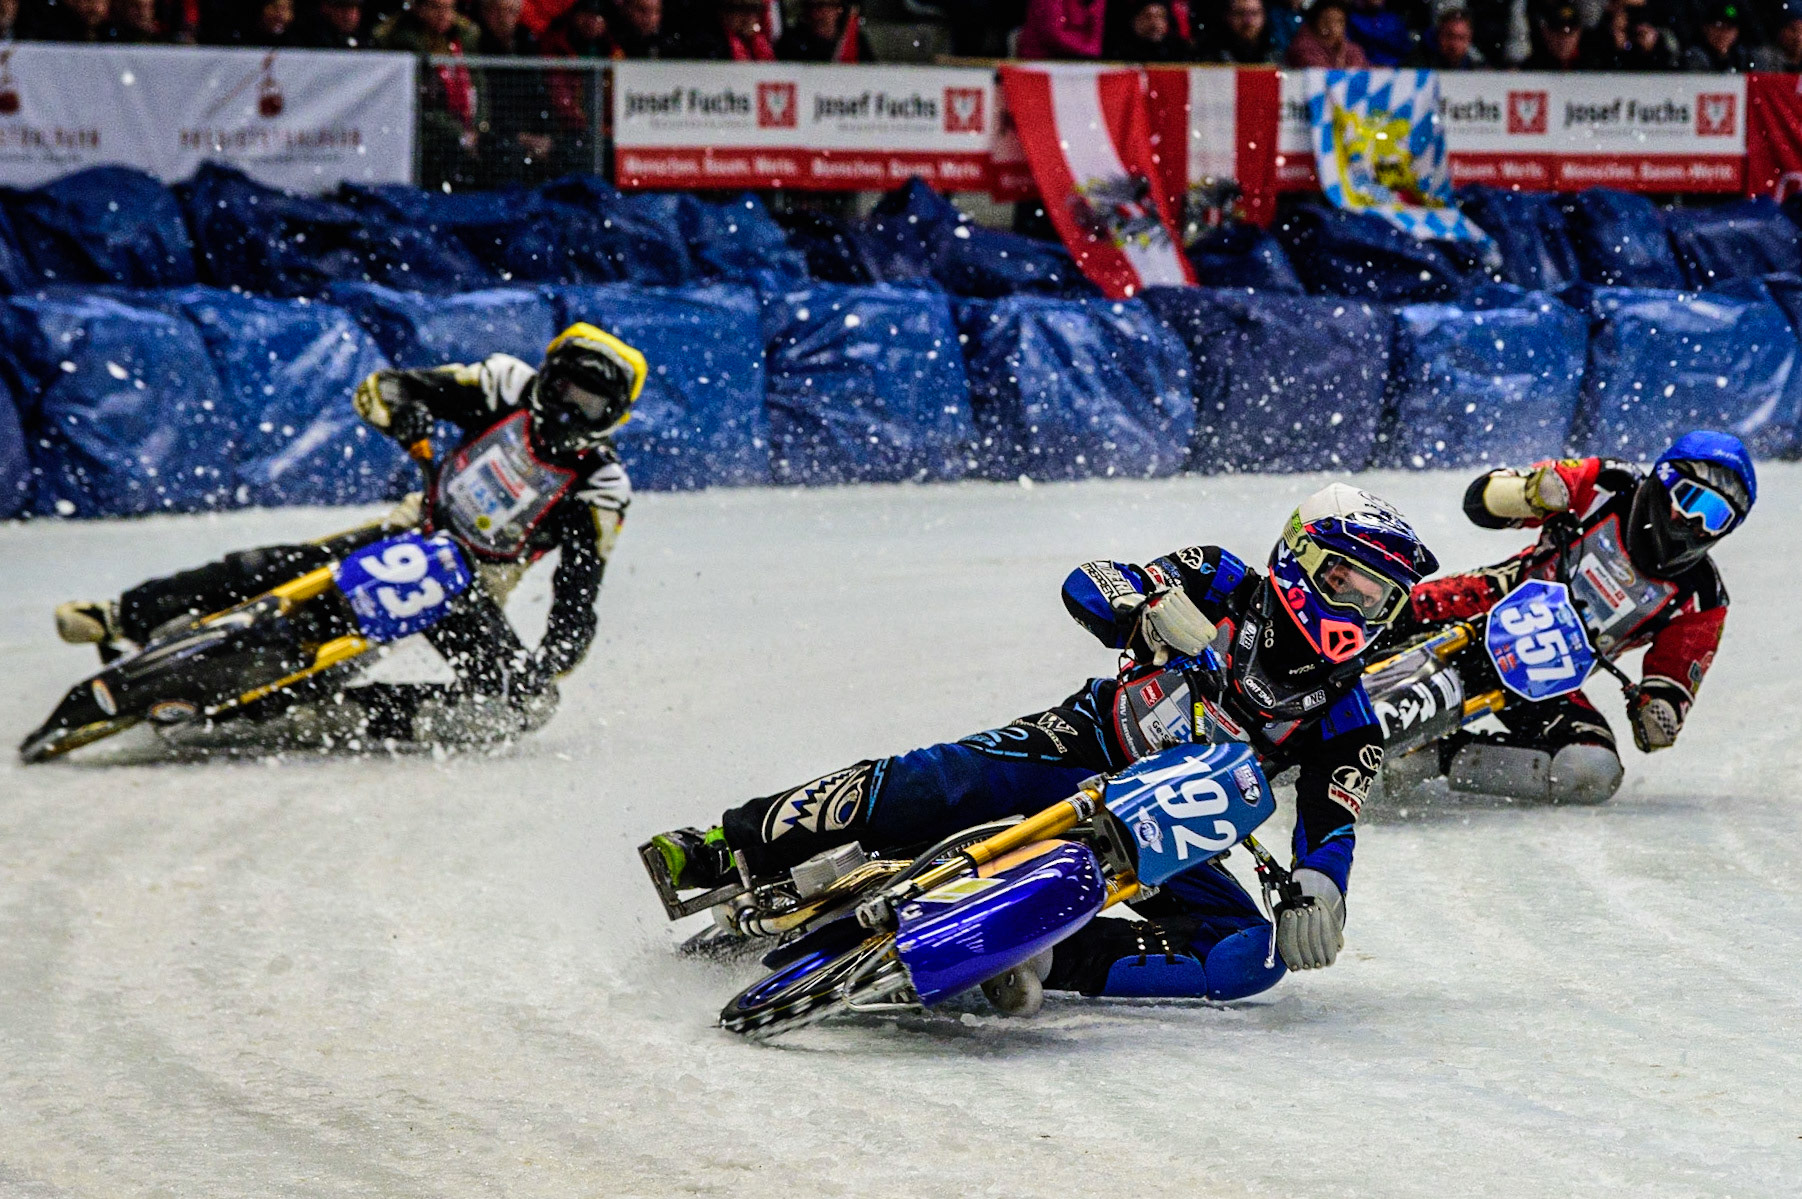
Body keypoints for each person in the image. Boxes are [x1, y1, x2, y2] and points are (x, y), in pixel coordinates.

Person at [647, 485, 1439, 1004]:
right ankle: (725, 844)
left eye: (1377, 601)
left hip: (1167, 829)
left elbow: (1332, 826)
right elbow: (1092, 580)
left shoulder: (1350, 720)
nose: (1356, 611)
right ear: (1300, 557)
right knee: (932, 783)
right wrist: (1142, 608)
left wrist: (1319, 894)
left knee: (1245, 954)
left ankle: (1037, 955)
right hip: (1083, 744)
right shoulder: (1222, 578)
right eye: (1346, 582)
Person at [53, 325, 646, 749]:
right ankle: (123, 614)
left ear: (613, 417)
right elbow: (384, 388)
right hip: (416, 525)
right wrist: (405, 411)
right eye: (564, 390)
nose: (568, 411)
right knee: (287, 563)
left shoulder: (601, 486)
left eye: (588, 404)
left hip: (471, 587)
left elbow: (578, 591)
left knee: (525, 707)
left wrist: (552, 659)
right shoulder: (503, 384)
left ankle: (323, 717)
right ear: (545, 377)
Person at [1390, 432, 1755, 805]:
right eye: (1691, 500)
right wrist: (1528, 494)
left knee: (1592, 769)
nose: (1695, 523)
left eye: (1716, 517)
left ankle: (1435, 757)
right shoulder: (1609, 483)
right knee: (1382, 607)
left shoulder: (1703, 597)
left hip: (1545, 680)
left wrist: (1657, 713)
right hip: (1486, 602)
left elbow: (1670, 692)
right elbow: (1479, 502)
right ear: (1663, 480)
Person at [775, 0, 872, 61]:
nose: (817, 14)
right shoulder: (790, 41)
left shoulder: (856, 42)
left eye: (823, 6)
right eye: (811, 7)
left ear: (838, 9)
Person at [1285, 0, 1369, 65]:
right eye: (1327, 20)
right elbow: (1321, 74)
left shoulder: (1352, 50)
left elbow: (1361, 71)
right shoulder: (1303, 48)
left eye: (1339, 21)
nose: (1332, 26)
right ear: (1316, 22)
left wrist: (1341, 51)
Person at [1681, 0, 1761, 68]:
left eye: (1729, 28)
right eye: (1718, 26)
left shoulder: (1743, 58)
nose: (1723, 33)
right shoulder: (1694, 57)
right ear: (1705, 28)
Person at [1102, 0, 1193, 58]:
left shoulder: (1178, 52)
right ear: (1136, 21)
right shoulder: (1118, 53)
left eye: (1160, 16)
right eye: (1148, 16)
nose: (1154, 23)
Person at [1015, 0, 1106, 58]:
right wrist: (1089, 50)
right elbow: (1053, 34)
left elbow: (1096, 37)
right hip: (1039, 61)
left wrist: (1093, 50)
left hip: (1078, 60)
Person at [1404, 7, 1485, 66]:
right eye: (1449, 36)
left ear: (1469, 39)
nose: (1454, 44)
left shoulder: (1481, 73)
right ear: (1439, 36)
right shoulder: (1417, 69)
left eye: (1461, 38)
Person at [1521, 0, 1585, 68]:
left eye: (1570, 33)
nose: (1564, 40)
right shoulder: (1531, 68)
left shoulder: (1590, 65)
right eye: (1557, 32)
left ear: (1578, 33)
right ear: (1546, 33)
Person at [1207, 0, 1278, 61]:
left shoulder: (1276, 57)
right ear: (1227, 17)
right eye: (1240, 13)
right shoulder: (1211, 58)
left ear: (1264, 17)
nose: (1248, 21)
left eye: (1254, 13)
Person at [301, 0, 367, 48]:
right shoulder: (313, 39)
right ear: (326, 8)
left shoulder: (364, 39)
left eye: (354, 10)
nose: (349, 16)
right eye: (343, 9)